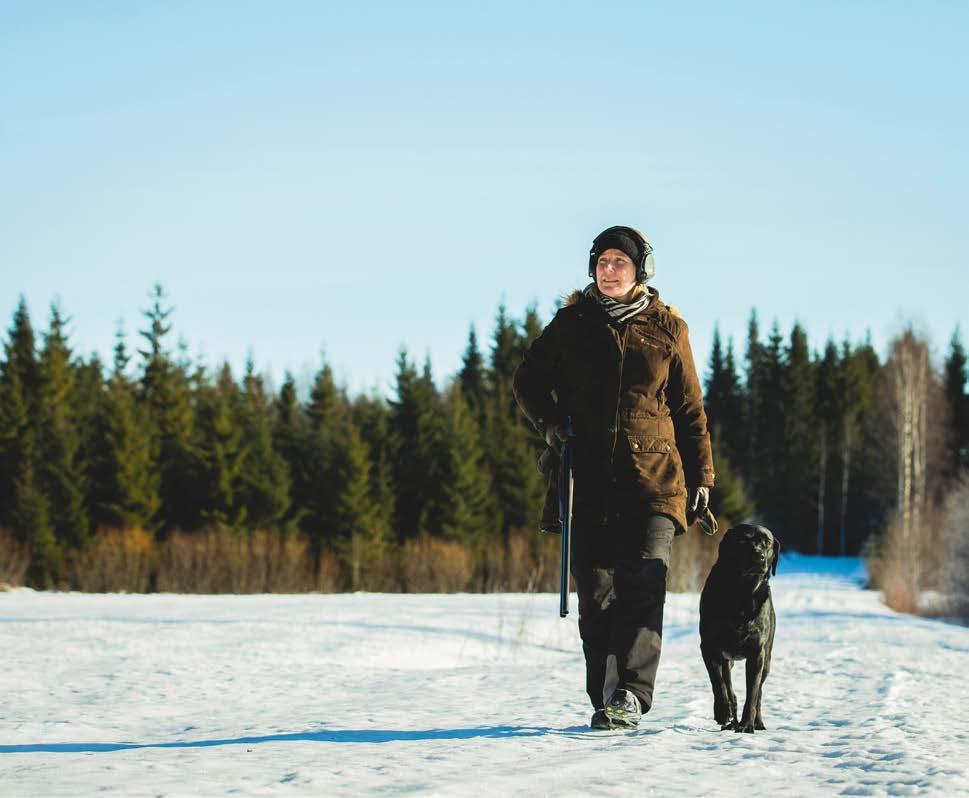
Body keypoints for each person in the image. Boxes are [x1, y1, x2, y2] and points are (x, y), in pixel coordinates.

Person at [512, 225, 715, 730]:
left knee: (645, 580)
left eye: (619, 262)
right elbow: (527, 381)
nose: (609, 270)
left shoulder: (669, 329)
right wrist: (553, 426)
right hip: (587, 479)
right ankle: (605, 694)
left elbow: (691, 410)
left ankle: (632, 692)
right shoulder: (572, 324)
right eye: (602, 262)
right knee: (597, 591)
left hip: (656, 479)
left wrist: (702, 477)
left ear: (640, 269)